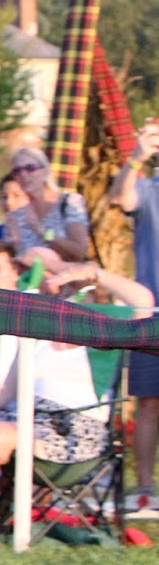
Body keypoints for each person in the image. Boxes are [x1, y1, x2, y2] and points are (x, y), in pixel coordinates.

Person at [0, 248, 152, 542]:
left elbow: (143, 301)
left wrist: (90, 272)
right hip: (19, 418)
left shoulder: (103, 334)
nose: (59, 288)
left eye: (66, 282)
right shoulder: (36, 336)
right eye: (52, 282)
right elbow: (1, 394)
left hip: (70, 430)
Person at [112, 116, 159, 512]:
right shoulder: (147, 188)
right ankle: (145, 487)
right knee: (148, 402)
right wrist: (136, 157)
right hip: (150, 311)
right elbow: (119, 198)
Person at [4, 145, 89, 265]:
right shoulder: (17, 214)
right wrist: (14, 244)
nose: (23, 175)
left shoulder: (68, 202)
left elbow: (79, 252)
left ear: (45, 171)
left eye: (30, 168)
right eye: (17, 171)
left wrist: (42, 232)